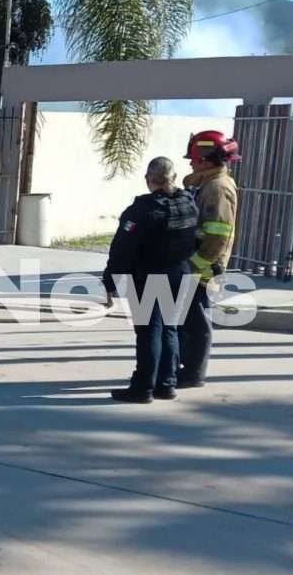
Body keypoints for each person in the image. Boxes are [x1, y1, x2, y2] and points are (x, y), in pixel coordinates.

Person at [103, 157, 199, 404]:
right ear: (174, 178)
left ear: (148, 179)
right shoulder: (189, 203)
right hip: (180, 273)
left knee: (148, 332)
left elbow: (122, 248)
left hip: (150, 275)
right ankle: (166, 384)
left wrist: (110, 279)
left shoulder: (142, 210)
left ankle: (143, 387)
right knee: (169, 328)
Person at [178, 131, 240, 389]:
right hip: (194, 261)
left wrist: (196, 265)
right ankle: (184, 367)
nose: (190, 163)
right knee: (185, 317)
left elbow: (218, 235)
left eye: (194, 158)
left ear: (206, 159)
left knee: (196, 320)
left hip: (202, 265)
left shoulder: (217, 188)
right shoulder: (205, 183)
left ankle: (193, 373)